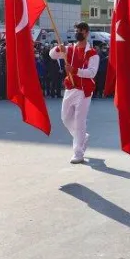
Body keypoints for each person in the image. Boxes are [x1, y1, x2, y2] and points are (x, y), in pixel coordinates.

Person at [48, 22, 99, 164]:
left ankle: (78, 152)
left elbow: (92, 72)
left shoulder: (92, 53)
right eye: (77, 30)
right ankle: (83, 137)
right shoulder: (69, 49)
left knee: (79, 120)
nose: (78, 33)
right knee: (65, 118)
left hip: (84, 91)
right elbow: (52, 55)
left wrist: (75, 70)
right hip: (70, 89)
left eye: (81, 31)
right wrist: (59, 48)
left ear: (87, 33)